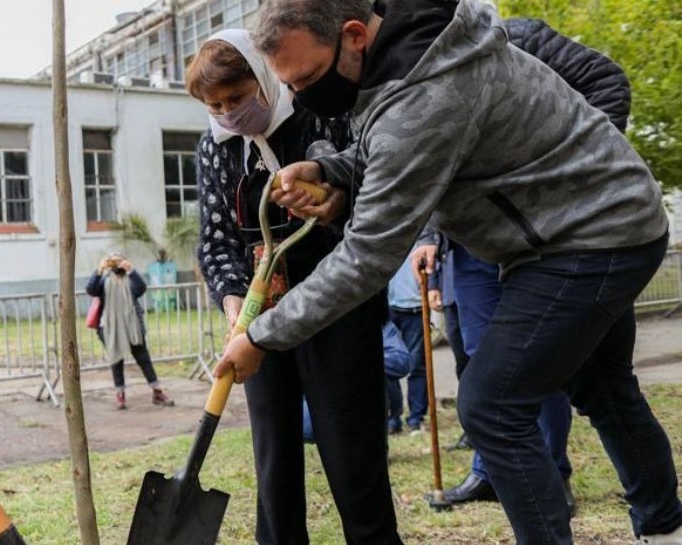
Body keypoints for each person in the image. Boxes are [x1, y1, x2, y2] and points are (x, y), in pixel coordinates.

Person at [217, 0, 679, 543]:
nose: (300, 98)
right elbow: (383, 150)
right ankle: (665, 527)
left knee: (491, 406)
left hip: (594, 237)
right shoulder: (406, 61)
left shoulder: (426, 93)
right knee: (602, 386)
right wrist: (328, 168)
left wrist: (263, 336)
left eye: (310, 77)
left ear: (354, 36)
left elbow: (367, 255)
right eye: (290, 86)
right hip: (578, 231)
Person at [407, 15, 635, 513]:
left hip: (542, 238)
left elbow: (607, 81)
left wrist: (579, 174)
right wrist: (427, 233)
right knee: (478, 358)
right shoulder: (411, 70)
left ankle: (550, 475)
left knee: (533, 361)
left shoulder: (516, 36)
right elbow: (426, 162)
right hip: (467, 243)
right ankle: (490, 471)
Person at [190, 29, 402, 544]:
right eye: (215, 105)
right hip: (260, 321)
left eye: (237, 98)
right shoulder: (215, 149)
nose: (227, 112)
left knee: (354, 461)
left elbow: (369, 191)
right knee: (274, 464)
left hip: (336, 309)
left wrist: (333, 198)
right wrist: (236, 304)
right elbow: (216, 240)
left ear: (263, 79)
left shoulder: (320, 114)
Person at [86, 253, 174, 410]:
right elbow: (91, 290)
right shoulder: (104, 281)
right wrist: (99, 269)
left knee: (143, 358)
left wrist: (131, 270)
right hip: (111, 327)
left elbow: (141, 289)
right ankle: (120, 393)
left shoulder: (130, 279)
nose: (117, 265)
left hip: (132, 327)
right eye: (114, 262)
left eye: (119, 261)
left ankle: (157, 391)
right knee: (116, 359)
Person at [383, 246, 431, 434]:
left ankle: (416, 418)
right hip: (388, 307)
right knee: (389, 363)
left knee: (416, 365)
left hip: (416, 308)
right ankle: (392, 420)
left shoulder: (423, 237)